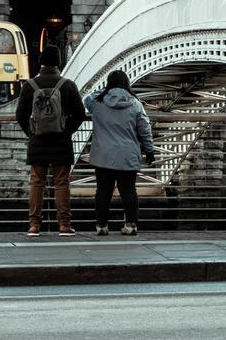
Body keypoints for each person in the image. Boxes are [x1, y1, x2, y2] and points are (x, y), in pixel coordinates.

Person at [15, 45, 87, 236]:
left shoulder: (29, 86)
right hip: (61, 141)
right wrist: (66, 130)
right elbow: (79, 114)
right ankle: (64, 225)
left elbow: (20, 115)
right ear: (58, 62)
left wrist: (32, 132)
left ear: (40, 62)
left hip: (38, 140)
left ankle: (34, 225)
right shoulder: (68, 85)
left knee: (37, 182)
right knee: (61, 182)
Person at [84, 70, 155, 236]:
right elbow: (145, 129)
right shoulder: (136, 104)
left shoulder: (97, 101)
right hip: (127, 154)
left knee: (103, 191)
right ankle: (131, 225)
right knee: (129, 191)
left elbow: (87, 98)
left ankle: (101, 226)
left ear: (108, 84)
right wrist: (149, 150)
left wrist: (103, 90)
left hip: (103, 155)